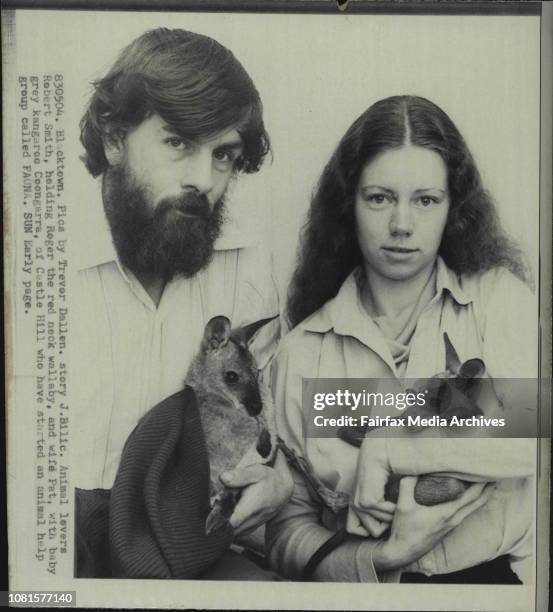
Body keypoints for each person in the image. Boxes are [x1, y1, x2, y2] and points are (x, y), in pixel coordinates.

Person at [267, 95, 537, 583]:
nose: (401, 225)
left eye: (426, 200)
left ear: (454, 206)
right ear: (347, 203)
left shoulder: (499, 301)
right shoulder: (301, 351)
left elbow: (530, 440)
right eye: (379, 197)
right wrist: (376, 559)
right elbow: (286, 528)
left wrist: (390, 446)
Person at [73, 28, 292, 577]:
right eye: (178, 143)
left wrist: (277, 480)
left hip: (187, 540)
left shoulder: (250, 262)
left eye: (224, 155)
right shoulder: (39, 257)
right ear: (115, 136)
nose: (203, 180)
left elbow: (265, 421)